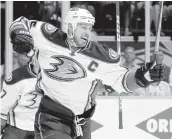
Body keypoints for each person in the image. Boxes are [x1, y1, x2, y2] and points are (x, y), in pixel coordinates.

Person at [9, 8, 164, 139]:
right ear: (70, 27)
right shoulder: (48, 37)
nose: (87, 33)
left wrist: (144, 76)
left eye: (89, 28)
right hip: (52, 118)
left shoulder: (101, 56)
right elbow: (20, 23)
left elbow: (123, 81)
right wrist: (19, 35)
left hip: (83, 123)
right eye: (83, 27)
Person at [0, 54, 42, 139]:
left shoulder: (53, 79)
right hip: (16, 128)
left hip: (42, 128)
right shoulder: (17, 77)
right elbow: (3, 108)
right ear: (34, 58)